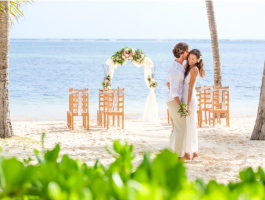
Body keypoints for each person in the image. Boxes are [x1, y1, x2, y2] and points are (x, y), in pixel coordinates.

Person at [166, 42, 189, 159]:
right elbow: (174, 92)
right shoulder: (176, 69)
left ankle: (170, 153)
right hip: (174, 101)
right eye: (186, 52)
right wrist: (181, 106)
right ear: (181, 53)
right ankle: (178, 156)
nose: (188, 53)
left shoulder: (177, 66)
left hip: (172, 100)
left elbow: (169, 82)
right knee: (181, 128)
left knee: (176, 129)